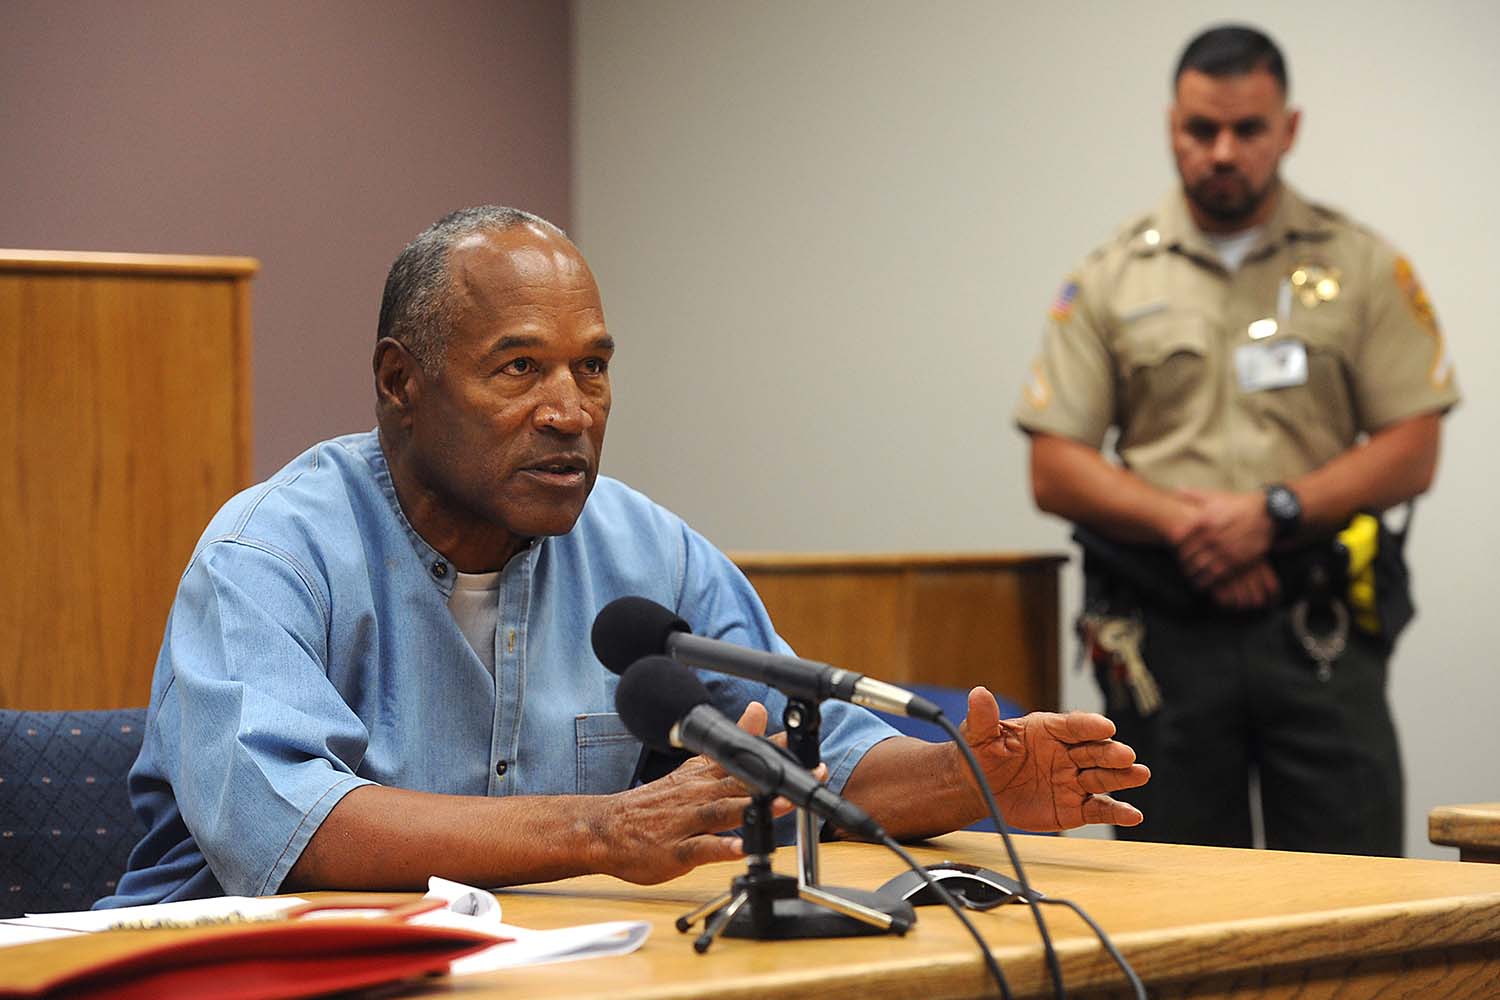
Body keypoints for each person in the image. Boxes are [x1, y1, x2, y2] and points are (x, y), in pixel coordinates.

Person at [101, 206, 1148, 906]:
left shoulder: (646, 550)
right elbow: (296, 831)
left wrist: (969, 778)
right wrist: (603, 830)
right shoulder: (269, 555)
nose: (570, 413)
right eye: (520, 368)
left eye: (592, 369)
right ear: (399, 382)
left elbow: (808, 752)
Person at [1015, 25, 1459, 856]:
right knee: (1172, 912)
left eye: (1248, 130)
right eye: (1200, 130)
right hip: (1163, 640)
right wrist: (1191, 525)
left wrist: (1275, 512)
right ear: (1170, 126)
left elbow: (1413, 442)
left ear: (1287, 129)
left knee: (1352, 905)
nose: (1223, 152)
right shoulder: (1112, 276)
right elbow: (1054, 465)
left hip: (1318, 630)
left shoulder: (1361, 266)